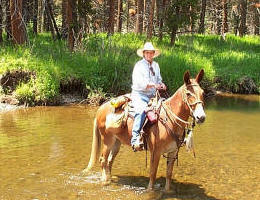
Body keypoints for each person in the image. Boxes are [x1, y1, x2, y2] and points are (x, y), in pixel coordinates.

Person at [131, 42, 166, 151]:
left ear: (153, 54)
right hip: (139, 94)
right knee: (141, 111)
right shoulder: (139, 66)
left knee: (166, 108)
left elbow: (159, 79)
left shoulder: (156, 65)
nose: (149, 55)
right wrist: (153, 85)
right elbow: (139, 83)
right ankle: (135, 138)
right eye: (147, 53)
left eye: (151, 53)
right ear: (144, 54)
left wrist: (161, 84)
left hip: (153, 95)